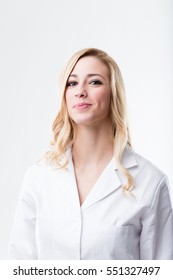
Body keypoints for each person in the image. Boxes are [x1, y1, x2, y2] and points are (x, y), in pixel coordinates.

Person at [8, 48, 173, 260]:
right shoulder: (39, 177)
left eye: (94, 82)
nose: (80, 91)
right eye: (72, 83)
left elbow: (160, 271)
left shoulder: (150, 182)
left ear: (114, 93)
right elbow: (19, 264)